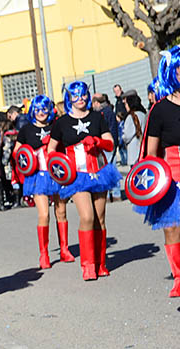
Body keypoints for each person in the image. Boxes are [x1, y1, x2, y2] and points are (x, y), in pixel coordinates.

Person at [133, 46, 180, 325]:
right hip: (178, 186)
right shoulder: (160, 110)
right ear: (172, 71)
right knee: (171, 230)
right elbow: (149, 156)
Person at [47, 81, 120, 280]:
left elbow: (110, 142)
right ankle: (88, 264)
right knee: (87, 216)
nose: (81, 99)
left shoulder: (97, 117)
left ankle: (100, 262)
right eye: (76, 96)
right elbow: (51, 150)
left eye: (84, 95)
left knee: (99, 218)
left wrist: (97, 141)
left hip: (99, 171)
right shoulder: (61, 123)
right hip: (76, 175)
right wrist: (59, 166)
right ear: (69, 98)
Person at [16, 95, 75, 269]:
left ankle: (64, 249)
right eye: (38, 109)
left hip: (57, 173)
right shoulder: (26, 130)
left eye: (44, 109)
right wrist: (30, 155)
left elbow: (66, 145)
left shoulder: (56, 126)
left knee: (61, 212)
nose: (41, 112)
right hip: (37, 176)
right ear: (32, 110)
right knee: (43, 215)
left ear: (49, 110)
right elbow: (17, 153)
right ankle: (44, 254)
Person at [121, 92, 146, 165]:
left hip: (134, 150)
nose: (125, 106)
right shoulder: (143, 114)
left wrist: (123, 137)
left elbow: (127, 135)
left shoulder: (130, 117)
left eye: (126, 104)